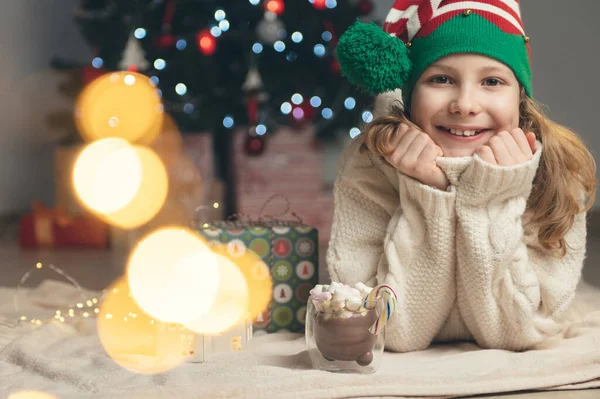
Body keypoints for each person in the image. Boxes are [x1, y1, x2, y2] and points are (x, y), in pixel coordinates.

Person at [328, 0, 597, 352]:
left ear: (520, 97)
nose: (465, 104)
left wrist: (491, 197)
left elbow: (521, 333)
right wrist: (427, 194)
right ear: (410, 95)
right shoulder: (369, 166)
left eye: (492, 81)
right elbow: (386, 332)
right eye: (441, 79)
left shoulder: (559, 174)